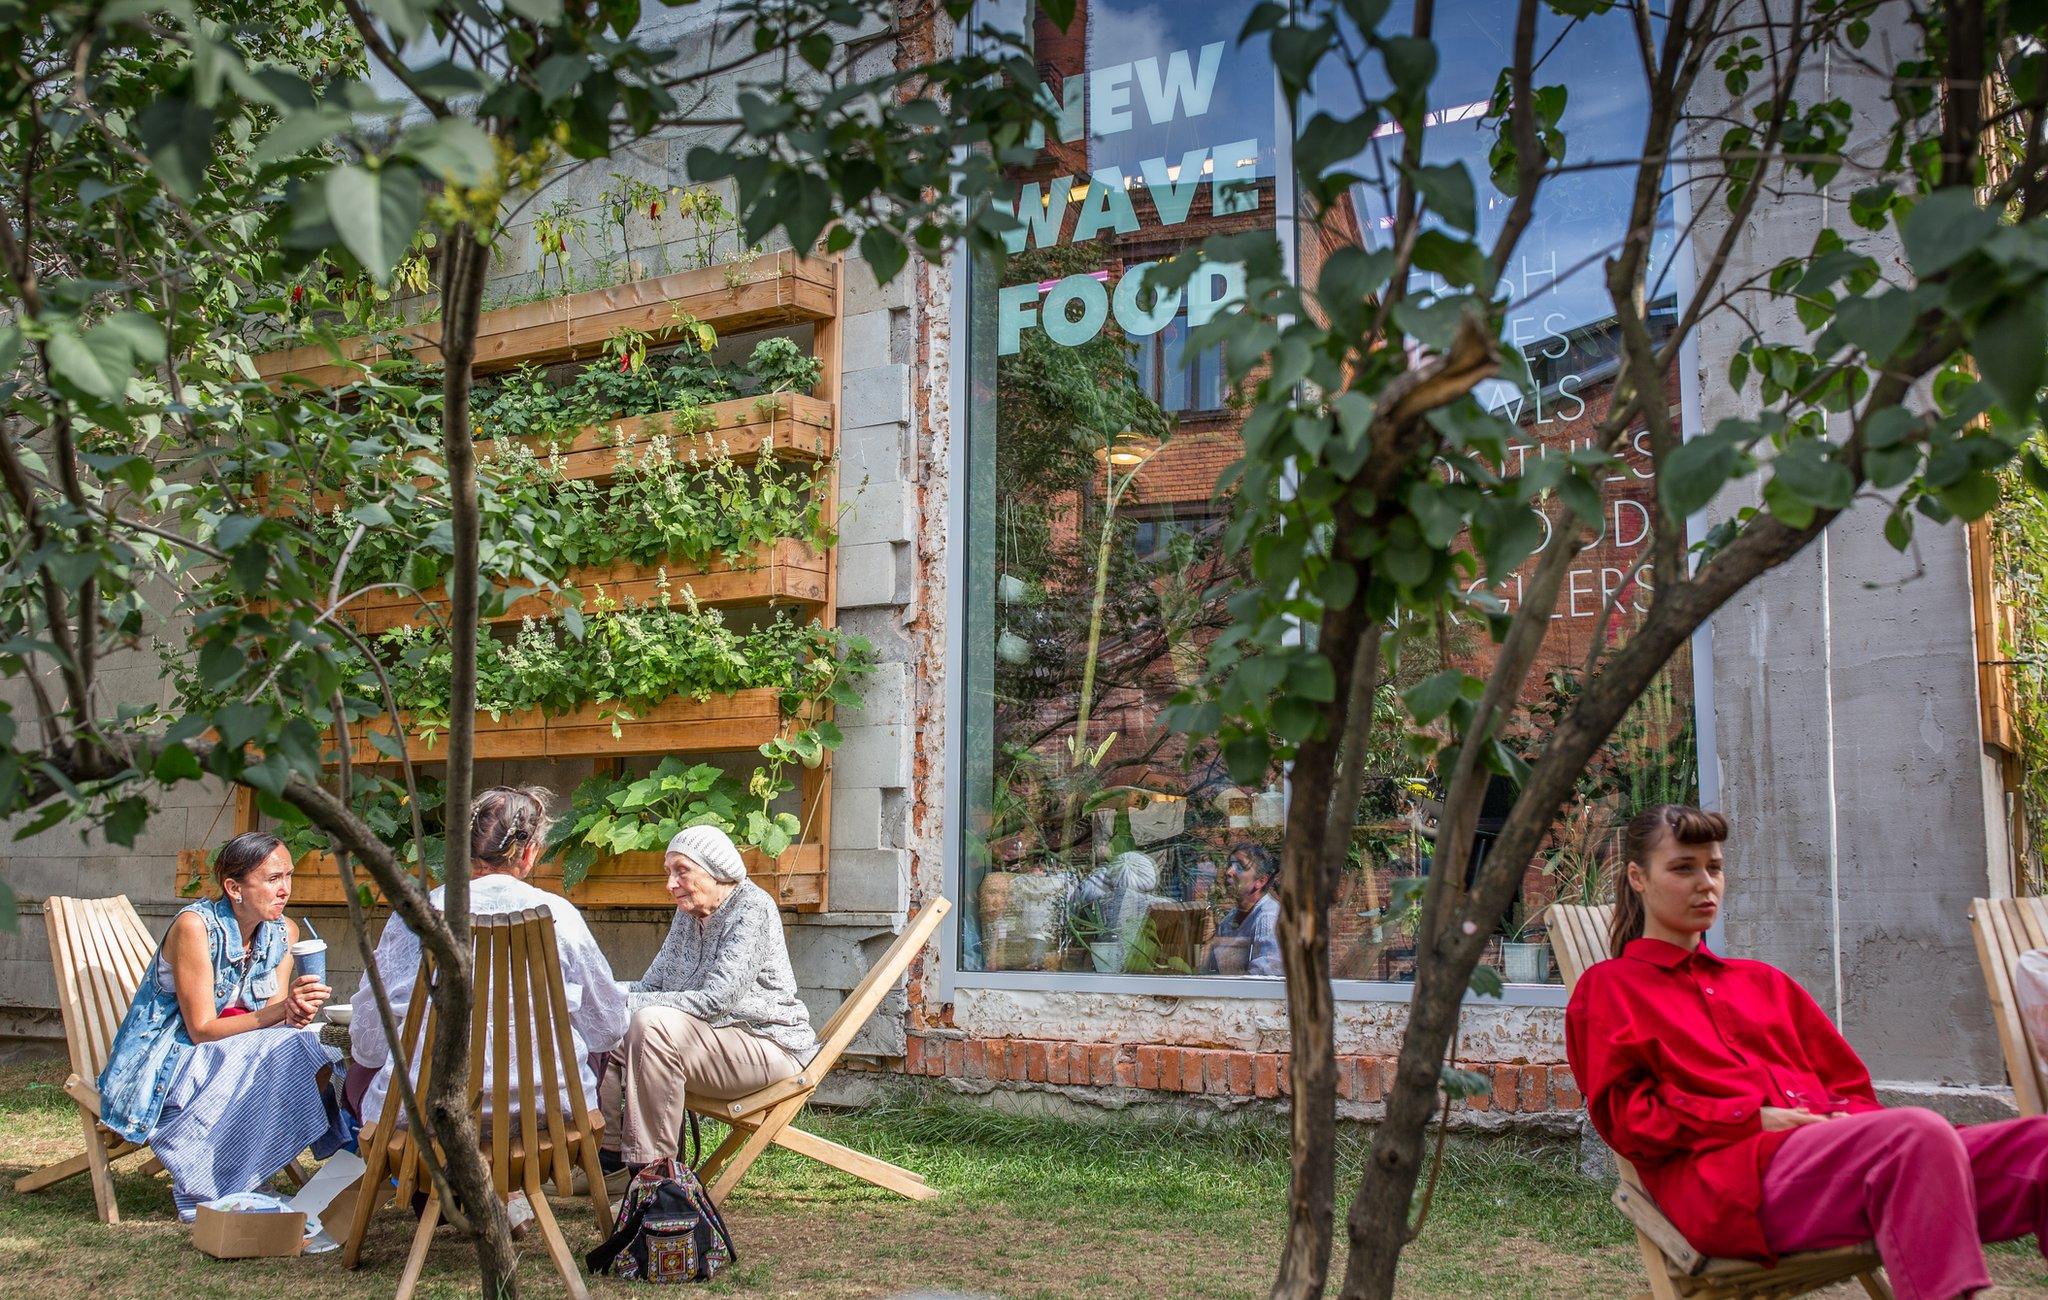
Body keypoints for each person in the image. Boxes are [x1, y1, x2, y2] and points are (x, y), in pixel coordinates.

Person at [1566, 804, 2048, 1300]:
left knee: (2040, 1143)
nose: (1706, 883)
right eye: (1683, 868)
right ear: (1638, 878)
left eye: (1715, 867)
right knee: (1915, 1133)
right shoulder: (1610, 990)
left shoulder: (1763, 983)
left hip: (1852, 1165)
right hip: (1734, 1186)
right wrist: (1750, 1119)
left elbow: (1847, 1087)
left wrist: (1848, 1123)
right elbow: (1627, 1120)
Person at [98, 831, 347, 1219]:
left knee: (326, 1047)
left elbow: (273, 1021)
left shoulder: (285, 933)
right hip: (169, 1062)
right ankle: (224, 1183)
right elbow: (200, 1029)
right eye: (272, 879)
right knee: (297, 1049)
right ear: (234, 887)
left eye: (289, 876)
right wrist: (282, 1011)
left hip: (234, 1055)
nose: (285, 889)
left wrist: (297, 1010)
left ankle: (262, 1170)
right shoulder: (195, 927)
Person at [346, 786, 628, 1128]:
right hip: (544, 1120)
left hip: (424, 1121)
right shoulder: (558, 915)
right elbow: (609, 1027)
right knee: (593, 1044)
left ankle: (422, 1180)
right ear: (530, 853)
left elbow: (369, 1038)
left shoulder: (419, 913)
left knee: (360, 1074)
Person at [600, 825, 817, 1174]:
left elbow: (716, 1001)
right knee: (604, 1022)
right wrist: (598, 996)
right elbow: (652, 986)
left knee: (649, 1023)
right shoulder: (688, 914)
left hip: (769, 1046)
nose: (670, 884)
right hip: (715, 1043)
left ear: (718, 872)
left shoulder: (752, 908)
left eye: (681, 871)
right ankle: (609, 1160)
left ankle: (657, 1177)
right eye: (668, 873)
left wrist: (625, 1005)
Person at [1202, 842, 1281, 976]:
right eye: (1230, 865)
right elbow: (1214, 972)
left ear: (1261, 881)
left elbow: (1266, 980)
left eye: (1240, 866)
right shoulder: (1228, 921)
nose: (1228, 872)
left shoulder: (1268, 918)